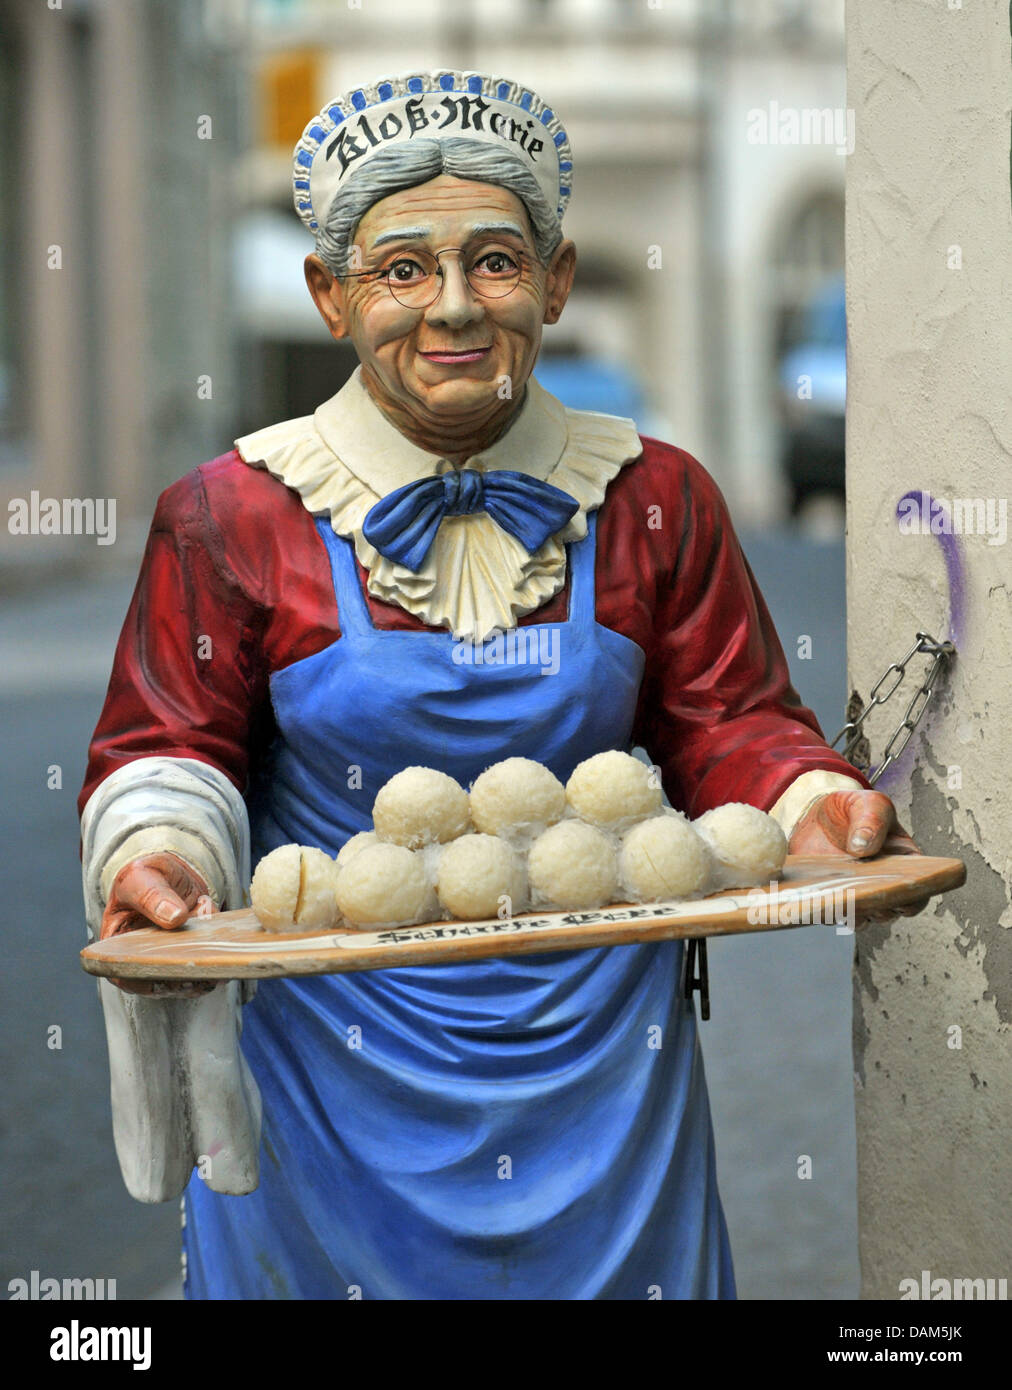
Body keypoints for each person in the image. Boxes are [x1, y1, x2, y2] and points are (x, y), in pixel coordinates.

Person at [79, 70, 926, 1300]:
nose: (454, 310)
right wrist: (159, 849)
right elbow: (170, 741)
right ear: (330, 295)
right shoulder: (230, 514)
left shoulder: (654, 496)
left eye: (495, 261)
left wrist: (807, 799)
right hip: (332, 1057)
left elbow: (730, 720)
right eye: (402, 271)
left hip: (600, 1066)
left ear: (559, 278)